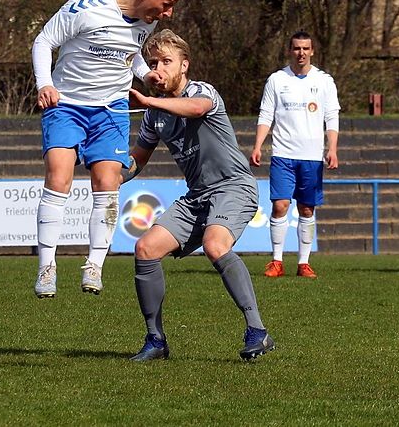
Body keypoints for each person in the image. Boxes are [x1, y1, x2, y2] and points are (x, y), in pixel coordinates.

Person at [31, 0, 188, 299]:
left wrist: (145, 75)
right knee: (58, 176)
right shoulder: (85, 7)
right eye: (166, 4)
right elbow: (43, 42)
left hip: (111, 110)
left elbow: (130, 55)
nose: (168, 13)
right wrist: (45, 84)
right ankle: (46, 267)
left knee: (107, 183)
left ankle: (94, 266)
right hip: (67, 104)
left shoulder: (147, 21)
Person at [121, 29, 274, 361]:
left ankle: (258, 331)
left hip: (234, 186)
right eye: (152, 63)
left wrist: (147, 100)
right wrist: (110, 177)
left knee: (215, 244)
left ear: (184, 65)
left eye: (166, 61)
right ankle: (156, 340)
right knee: (145, 248)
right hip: (197, 196)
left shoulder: (202, 91)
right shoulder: (153, 116)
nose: (158, 69)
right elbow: (137, 160)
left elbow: (195, 108)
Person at [250, 31, 340, 279]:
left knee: (307, 209)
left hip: (312, 156)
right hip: (283, 154)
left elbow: (331, 116)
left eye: (305, 48)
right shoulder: (277, 80)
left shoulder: (324, 81)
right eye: (297, 48)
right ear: (290, 50)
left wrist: (332, 148)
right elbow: (266, 114)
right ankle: (277, 261)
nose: (301, 53)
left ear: (312, 51)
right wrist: (257, 145)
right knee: (280, 205)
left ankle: (304, 263)